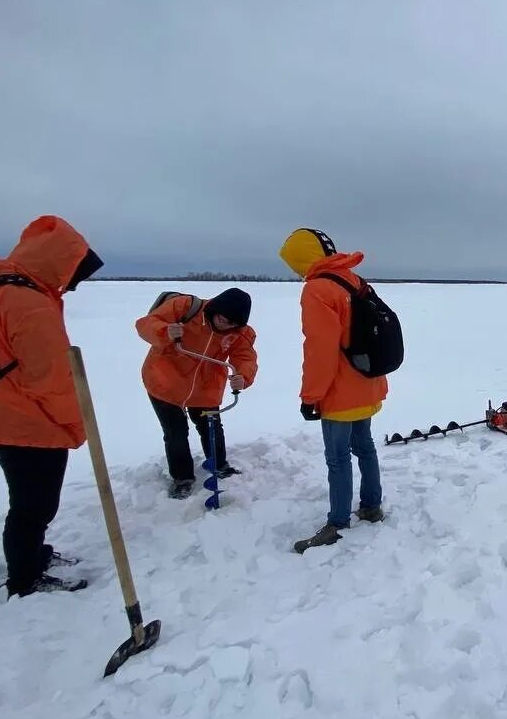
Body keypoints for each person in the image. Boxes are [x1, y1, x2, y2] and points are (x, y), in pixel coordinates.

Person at [0, 215, 104, 598]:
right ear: (61, 263)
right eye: (76, 275)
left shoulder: (1, 288)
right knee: (33, 506)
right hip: (26, 422)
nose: (73, 286)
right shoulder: (29, 304)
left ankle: (34, 555)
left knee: (28, 502)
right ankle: (25, 580)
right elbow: (53, 379)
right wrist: (77, 424)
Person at [279, 227, 388, 553]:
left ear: (303, 260)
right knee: (365, 447)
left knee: (338, 458)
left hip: (339, 392)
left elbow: (320, 349)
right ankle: (371, 506)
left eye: (294, 265)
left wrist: (311, 396)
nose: (296, 273)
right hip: (367, 383)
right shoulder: (353, 280)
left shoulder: (318, 289)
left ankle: (337, 523)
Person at [135, 288, 258, 499]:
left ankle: (219, 465)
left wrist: (243, 377)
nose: (226, 326)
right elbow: (145, 324)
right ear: (215, 309)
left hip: (205, 386)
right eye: (223, 320)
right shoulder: (185, 307)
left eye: (232, 324)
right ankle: (182, 478)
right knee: (176, 432)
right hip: (165, 381)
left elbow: (245, 358)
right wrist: (165, 331)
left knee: (211, 426)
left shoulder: (241, 333)